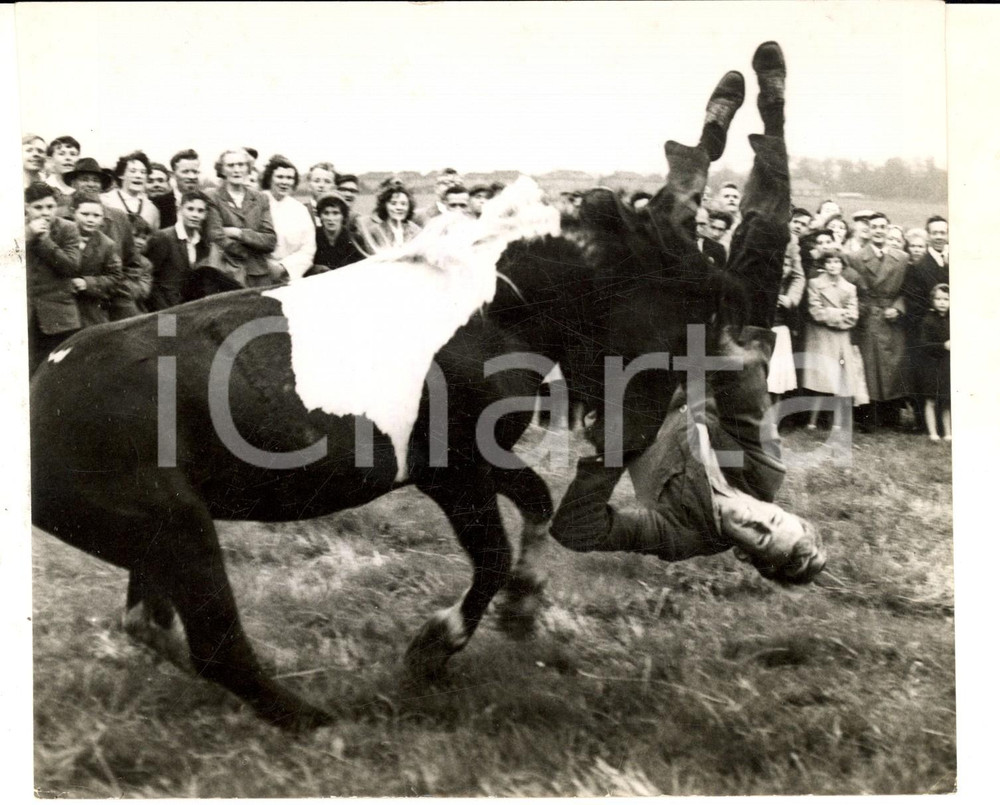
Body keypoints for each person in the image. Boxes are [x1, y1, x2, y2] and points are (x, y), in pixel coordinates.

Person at [551, 43, 825, 586]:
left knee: (665, 239)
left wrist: (611, 454)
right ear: (781, 508)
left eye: (760, 538)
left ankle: (701, 146)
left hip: (642, 381)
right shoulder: (765, 473)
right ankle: (772, 115)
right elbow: (747, 400)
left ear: (746, 557)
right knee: (768, 231)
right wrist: (716, 331)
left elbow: (577, 531)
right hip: (726, 355)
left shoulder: (683, 533)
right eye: (775, 519)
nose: (756, 519)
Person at [846, 212, 910, 431]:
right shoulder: (856, 257)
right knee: (870, 367)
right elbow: (852, 289)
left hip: (892, 317)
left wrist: (898, 308)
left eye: (883, 226)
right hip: (870, 316)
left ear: (888, 229)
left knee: (893, 365)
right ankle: (869, 418)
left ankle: (892, 416)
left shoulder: (901, 258)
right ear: (869, 230)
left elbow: (906, 290)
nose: (879, 230)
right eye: (874, 227)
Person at [802, 252, 868, 430]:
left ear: (842, 265)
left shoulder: (849, 287)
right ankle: (812, 421)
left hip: (841, 337)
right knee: (821, 378)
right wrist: (839, 314)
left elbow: (853, 316)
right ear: (823, 265)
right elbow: (815, 311)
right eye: (829, 262)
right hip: (821, 336)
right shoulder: (815, 283)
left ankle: (837, 421)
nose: (833, 265)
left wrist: (832, 313)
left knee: (841, 379)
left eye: (837, 262)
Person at [25, 182, 82, 374]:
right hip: (26, 315)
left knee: (61, 373)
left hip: (59, 316)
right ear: (26, 208)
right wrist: (28, 235)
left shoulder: (68, 229)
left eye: (50, 207)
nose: (45, 213)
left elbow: (71, 266)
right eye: (38, 208)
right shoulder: (15, 229)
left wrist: (44, 240)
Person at [205, 148, 278, 288]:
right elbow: (216, 235)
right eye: (230, 165)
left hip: (258, 275)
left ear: (248, 168)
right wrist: (249, 250)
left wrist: (237, 232)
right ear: (222, 170)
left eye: (241, 165)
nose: (236, 170)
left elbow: (270, 241)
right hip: (226, 273)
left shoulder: (261, 198)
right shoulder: (212, 196)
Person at [145, 190, 213, 311]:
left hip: (189, 309)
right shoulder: (164, 237)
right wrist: (163, 309)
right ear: (180, 210)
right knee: (166, 331)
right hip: (164, 309)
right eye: (190, 209)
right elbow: (150, 277)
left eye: (200, 211)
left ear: (206, 214)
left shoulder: (202, 243)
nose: (195, 215)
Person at [69, 192, 125, 328]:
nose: (91, 220)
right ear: (73, 212)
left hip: (91, 310)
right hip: (62, 307)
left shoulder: (107, 245)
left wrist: (87, 283)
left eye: (96, 216)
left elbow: (116, 278)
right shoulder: (61, 236)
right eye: (85, 214)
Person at [260, 155, 316, 282]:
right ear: (269, 179)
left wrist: (283, 267)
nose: (284, 182)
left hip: (288, 274)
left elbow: (308, 248)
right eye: (280, 177)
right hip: (257, 273)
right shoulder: (256, 201)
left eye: (289, 178)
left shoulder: (300, 209)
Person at [917, 284, 951, 442]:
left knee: (946, 400)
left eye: (946, 299)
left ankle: (948, 432)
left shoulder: (953, 319)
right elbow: (923, 344)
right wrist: (943, 345)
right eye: (938, 299)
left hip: (946, 365)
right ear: (932, 301)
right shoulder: (928, 320)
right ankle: (933, 432)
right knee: (930, 399)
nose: (942, 302)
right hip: (931, 364)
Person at [108, 216, 154, 320]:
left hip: (135, 310)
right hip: (115, 308)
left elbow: (142, 292)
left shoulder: (145, 264)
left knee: (167, 332)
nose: (140, 241)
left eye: (144, 238)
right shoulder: (113, 255)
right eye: (135, 236)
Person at [102, 150, 161, 229]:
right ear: (121, 175)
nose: (138, 176)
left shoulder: (152, 209)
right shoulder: (105, 201)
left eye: (143, 172)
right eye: (133, 171)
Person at [309, 193, 366, 274]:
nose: (330, 218)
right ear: (320, 216)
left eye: (335, 213)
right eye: (326, 213)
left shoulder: (355, 240)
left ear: (343, 216)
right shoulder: (311, 237)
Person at [359, 181, 421, 254]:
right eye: (393, 203)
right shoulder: (375, 231)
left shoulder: (416, 231)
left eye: (403, 204)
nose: (399, 208)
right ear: (385, 206)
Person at [152, 148, 202, 229]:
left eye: (195, 172)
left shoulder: (207, 201)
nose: (192, 177)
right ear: (173, 174)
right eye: (185, 172)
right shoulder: (160, 204)